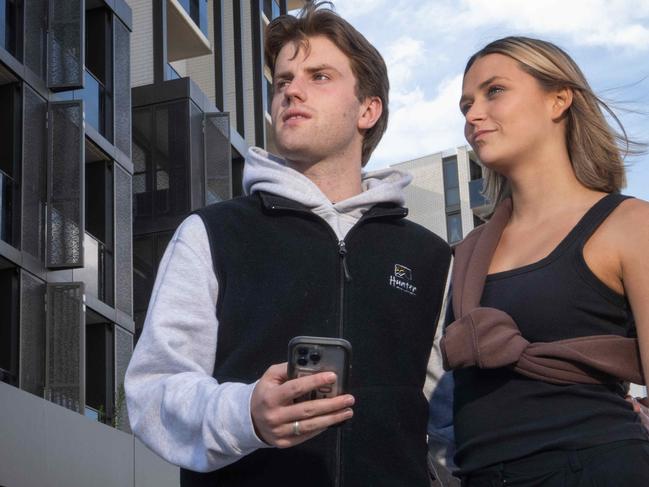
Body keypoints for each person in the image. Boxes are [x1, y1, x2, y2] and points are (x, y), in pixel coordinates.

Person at [124, 3, 451, 487]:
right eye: (282, 81)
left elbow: (446, 423)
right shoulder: (211, 233)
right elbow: (152, 391)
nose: (291, 90)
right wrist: (246, 415)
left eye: (319, 76)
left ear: (368, 109)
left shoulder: (431, 257)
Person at [442, 36, 649, 486]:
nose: (473, 115)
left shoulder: (631, 224)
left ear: (559, 100)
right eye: (466, 105)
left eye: (494, 91)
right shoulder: (467, 253)